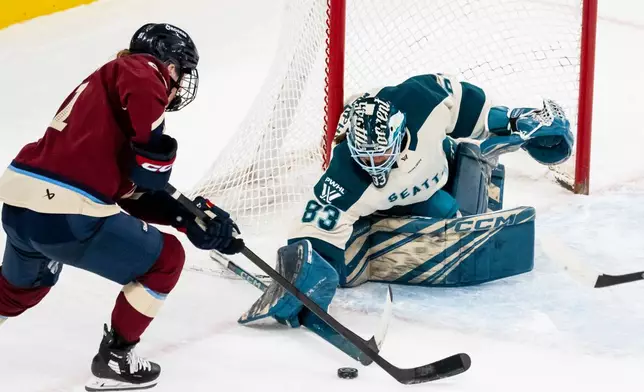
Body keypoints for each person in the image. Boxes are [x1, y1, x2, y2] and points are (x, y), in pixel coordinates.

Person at [0, 23, 244, 392]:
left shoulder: (104, 113)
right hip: (66, 211)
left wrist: (187, 219)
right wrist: (153, 144)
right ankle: (116, 359)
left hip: (22, 204)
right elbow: (142, 79)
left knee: (16, 292)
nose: (177, 84)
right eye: (179, 71)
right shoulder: (140, 70)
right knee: (166, 260)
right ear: (168, 65)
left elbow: (132, 192)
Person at [240, 73, 573, 329]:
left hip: (439, 169)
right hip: (395, 206)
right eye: (364, 156)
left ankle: (468, 170)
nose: (373, 164)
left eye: (381, 152)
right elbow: (312, 229)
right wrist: (300, 279)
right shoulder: (343, 176)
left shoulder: (421, 99)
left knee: (463, 180)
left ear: (400, 133)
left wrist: (515, 120)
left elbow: (469, 108)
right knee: (441, 216)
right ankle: (381, 234)